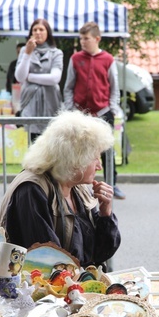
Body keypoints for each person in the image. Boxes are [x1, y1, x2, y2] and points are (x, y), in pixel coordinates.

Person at [0, 110, 121, 268]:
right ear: (75, 158)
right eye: (95, 157)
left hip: (73, 283)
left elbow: (101, 253)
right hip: (41, 288)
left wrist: (105, 213)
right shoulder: (32, 190)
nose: (99, 166)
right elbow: (46, 262)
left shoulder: (78, 187)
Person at [63, 21, 125, 200]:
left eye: (86, 38)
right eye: (81, 38)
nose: (83, 42)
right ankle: (77, 184)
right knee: (79, 149)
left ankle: (111, 184)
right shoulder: (75, 59)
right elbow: (69, 86)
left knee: (106, 151)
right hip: (81, 114)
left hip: (103, 112)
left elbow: (114, 87)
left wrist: (112, 108)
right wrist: (70, 108)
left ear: (97, 39)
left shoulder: (108, 60)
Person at [15, 18, 63, 143]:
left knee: (51, 143)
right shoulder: (24, 52)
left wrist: (30, 77)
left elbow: (54, 78)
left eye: (41, 29)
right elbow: (20, 77)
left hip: (50, 103)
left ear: (48, 33)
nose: (38, 32)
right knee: (34, 142)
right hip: (31, 103)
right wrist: (27, 54)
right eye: (34, 30)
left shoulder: (56, 53)